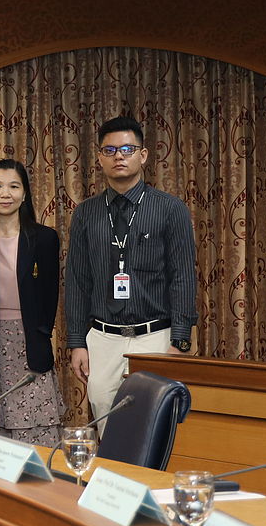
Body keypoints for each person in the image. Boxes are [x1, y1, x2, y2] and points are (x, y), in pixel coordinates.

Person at [65, 115, 198, 422]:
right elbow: (77, 281)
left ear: (143, 155)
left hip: (156, 336)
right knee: (104, 422)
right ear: (100, 158)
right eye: (110, 151)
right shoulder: (86, 213)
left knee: (153, 423)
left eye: (127, 149)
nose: (119, 156)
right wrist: (76, 342)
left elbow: (182, 277)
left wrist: (179, 340)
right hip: (103, 338)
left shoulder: (170, 208)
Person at [0, 159, 62, 446]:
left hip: (28, 343)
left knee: (37, 427)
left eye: (14, 186)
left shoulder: (44, 238)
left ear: (25, 193)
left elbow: (51, 295)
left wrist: (40, 334)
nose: (6, 193)